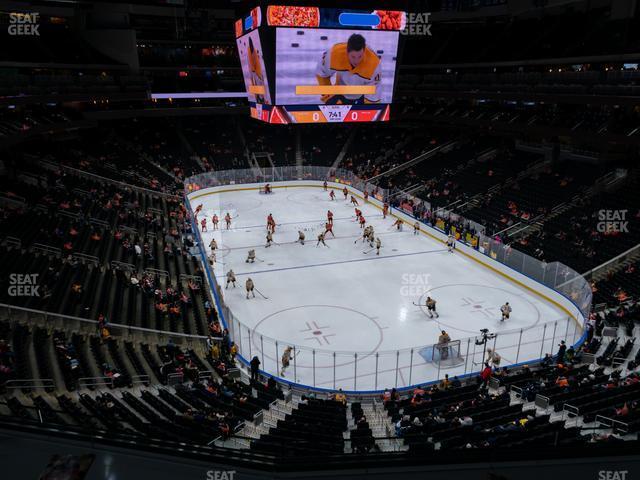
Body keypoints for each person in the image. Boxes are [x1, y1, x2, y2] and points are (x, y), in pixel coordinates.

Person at [315, 33, 382, 105]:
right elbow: (321, 73)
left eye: (360, 56)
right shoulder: (334, 54)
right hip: (339, 93)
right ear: (347, 52)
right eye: (353, 57)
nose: (356, 61)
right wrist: (329, 97)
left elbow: (373, 97)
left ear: (364, 52)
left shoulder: (374, 63)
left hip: (362, 96)